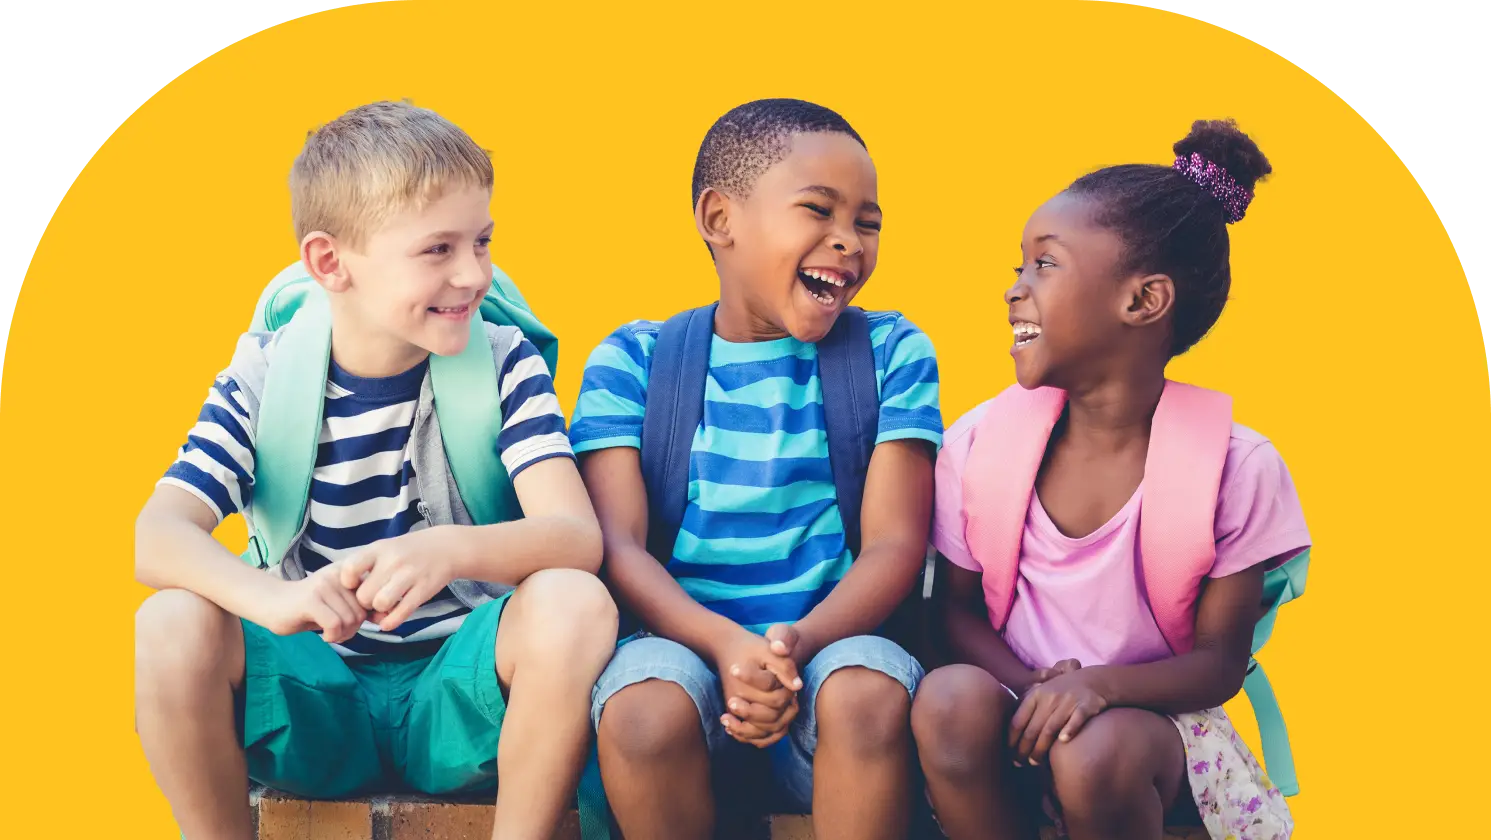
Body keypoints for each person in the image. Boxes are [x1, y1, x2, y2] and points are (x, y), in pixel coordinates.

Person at [133, 100, 618, 840]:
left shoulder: (502, 362)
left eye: (482, 242)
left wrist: (449, 550)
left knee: (573, 601)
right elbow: (158, 537)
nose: (475, 274)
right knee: (171, 618)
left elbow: (576, 536)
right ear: (331, 263)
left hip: (460, 703)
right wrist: (270, 599)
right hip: (315, 696)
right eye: (438, 250)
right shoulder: (266, 376)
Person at [914, 119, 1307, 840]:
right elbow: (954, 615)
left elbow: (1218, 663)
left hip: (1152, 735)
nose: (1013, 289)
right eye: (1018, 266)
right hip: (1016, 705)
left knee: (1094, 751)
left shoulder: (1236, 467)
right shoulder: (977, 444)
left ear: (1141, 301)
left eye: (1044, 264)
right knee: (946, 698)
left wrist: (1095, 688)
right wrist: (1039, 686)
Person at [569, 98, 943, 840]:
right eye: (818, 211)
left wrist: (791, 647)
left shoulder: (893, 353)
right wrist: (725, 649)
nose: (847, 242)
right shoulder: (633, 362)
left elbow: (895, 546)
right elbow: (618, 546)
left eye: (866, 223)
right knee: (640, 708)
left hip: (830, 665)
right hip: (687, 671)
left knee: (867, 687)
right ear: (718, 219)